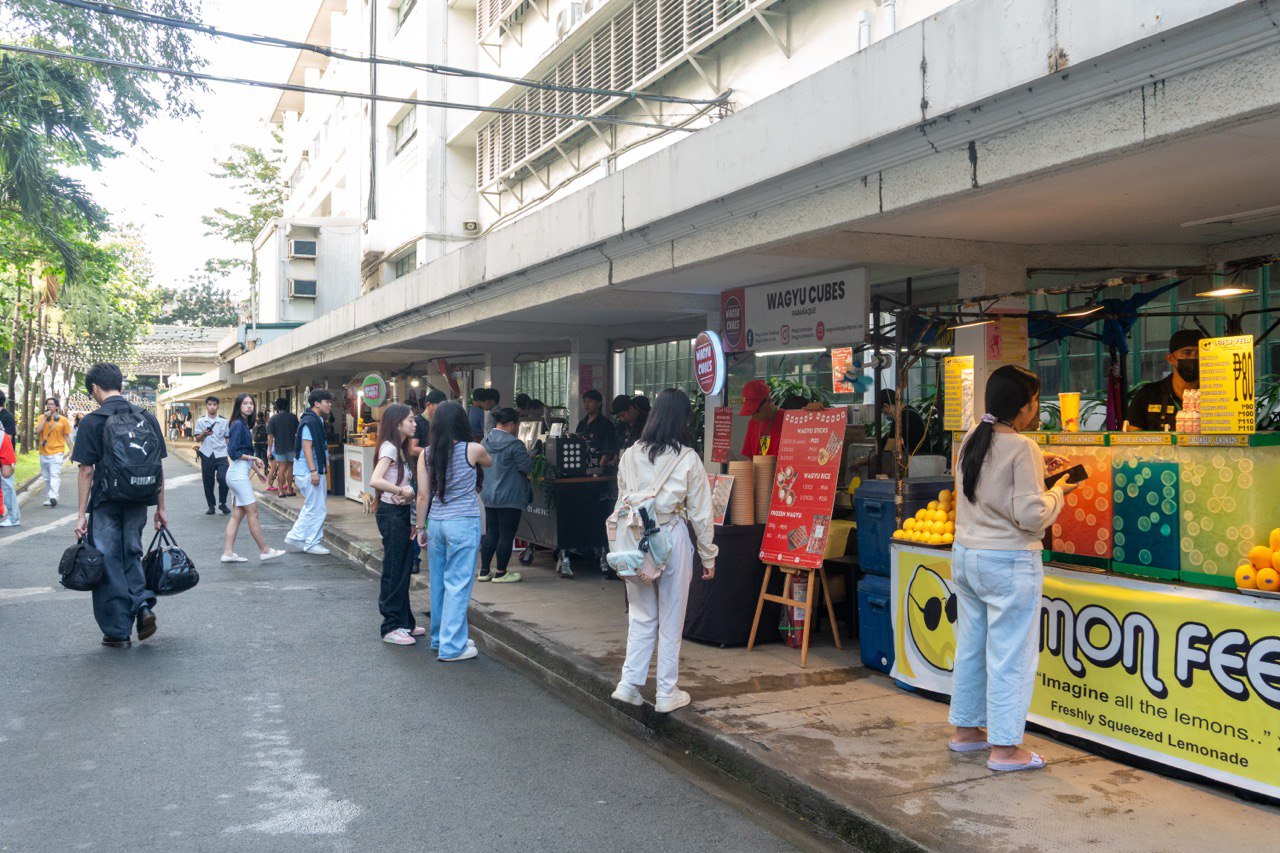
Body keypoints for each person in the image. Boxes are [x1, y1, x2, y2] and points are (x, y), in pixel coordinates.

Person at [948, 364, 1074, 772]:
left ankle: (966, 733)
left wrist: (1038, 472)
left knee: (972, 647)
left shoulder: (972, 437)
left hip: (967, 557)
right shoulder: (1023, 447)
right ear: (1022, 407)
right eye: (1035, 400)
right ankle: (1005, 749)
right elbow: (1031, 517)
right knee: (1010, 655)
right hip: (1008, 562)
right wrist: (1058, 492)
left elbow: (987, 487)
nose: (1036, 408)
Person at [610, 388, 718, 714]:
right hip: (670, 537)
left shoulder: (629, 455)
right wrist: (708, 555)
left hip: (633, 539)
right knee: (671, 617)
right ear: (683, 419)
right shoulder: (688, 458)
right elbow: (701, 513)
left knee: (642, 615)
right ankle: (666, 692)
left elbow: (622, 499)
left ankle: (629, 684)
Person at [72, 363, 169, 649]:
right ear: (121, 385)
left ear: (95, 389)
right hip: (139, 500)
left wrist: (81, 514)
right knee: (132, 552)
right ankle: (142, 605)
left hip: (106, 503)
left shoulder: (92, 421)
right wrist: (161, 508)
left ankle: (117, 631)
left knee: (109, 561)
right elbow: (158, 466)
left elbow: (86, 471)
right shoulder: (146, 418)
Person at [415, 401, 492, 662]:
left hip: (436, 522)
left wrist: (420, 527)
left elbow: (423, 496)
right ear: (462, 423)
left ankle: (439, 639)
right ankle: (452, 647)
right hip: (463, 523)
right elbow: (489, 462)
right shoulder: (474, 449)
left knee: (438, 583)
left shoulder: (426, 454)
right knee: (458, 584)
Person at [369, 403, 423, 645]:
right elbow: (375, 480)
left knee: (402, 568)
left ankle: (404, 622)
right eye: (410, 420)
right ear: (397, 422)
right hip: (391, 513)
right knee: (394, 568)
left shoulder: (399, 448)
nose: (415, 423)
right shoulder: (390, 448)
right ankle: (391, 626)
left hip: (399, 514)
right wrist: (402, 490)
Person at [221, 394, 286, 564]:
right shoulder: (238, 425)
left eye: (251, 403)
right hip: (237, 476)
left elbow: (244, 455)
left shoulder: (242, 424)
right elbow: (234, 453)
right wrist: (254, 459)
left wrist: (258, 471)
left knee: (237, 515)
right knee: (253, 513)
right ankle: (265, 550)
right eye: (245, 403)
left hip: (237, 475)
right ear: (238, 405)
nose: (249, 406)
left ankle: (228, 553)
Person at [479, 407, 532, 583]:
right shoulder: (515, 444)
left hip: (489, 496)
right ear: (510, 423)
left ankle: (484, 572)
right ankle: (501, 572)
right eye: (516, 424)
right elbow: (526, 467)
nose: (516, 428)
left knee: (492, 533)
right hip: (510, 497)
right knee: (506, 535)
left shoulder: (484, 441)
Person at [1125, 329, 1205, 431]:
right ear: (1170, 359)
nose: (1194, 357)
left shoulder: (1216, 395)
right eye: (1187, 353)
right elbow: (1132, 440)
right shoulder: (1147, 395)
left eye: (1199, 353)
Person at [286, 389, 334, 555]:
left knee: (313, 507)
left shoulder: (317, 420)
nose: (330, 405)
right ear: (317, 403)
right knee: (316, 509)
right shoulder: (310, 422)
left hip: (311, 470)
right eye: (327, 401)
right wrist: (314, 471)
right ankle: (311, 542)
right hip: (308, 471)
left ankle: (297, 536)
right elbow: (307, 448)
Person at [194, 396, 230, 515]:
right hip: (207, 453)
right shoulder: (201, 421)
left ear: (218, 406)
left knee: (223, 478)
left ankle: (223, 503)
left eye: (214, 404)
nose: (212, 407)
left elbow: (227, 437)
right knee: (208, 481)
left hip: (221, 453)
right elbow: (197, 439)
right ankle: (211, 505)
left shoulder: (223, 421)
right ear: (206, 406)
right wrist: (204, 434)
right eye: (210, 404)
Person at [34, 396, 72, 507]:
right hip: (44, 452)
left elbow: (66, 436)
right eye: (47, 404)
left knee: (54, 474)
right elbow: (37, 431)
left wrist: (71, 450)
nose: (49, 406)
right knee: (46, 477)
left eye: (51, 404)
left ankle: (54, 496)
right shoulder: (42, 417)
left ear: (56, 407)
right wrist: (45, 418)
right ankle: (48, 497)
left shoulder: (63, 420)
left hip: (57, 451)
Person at [737, 379, 784, 457]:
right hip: (758, 468)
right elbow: (749, 458)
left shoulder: (787, 420)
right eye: (750, 412)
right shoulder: (752, 423)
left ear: (769, 401)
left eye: (756, 410)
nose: (753, 415)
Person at [576, 389, 619, 468]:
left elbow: (608, 450)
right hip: (582, 465)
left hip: (600, 467)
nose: (586, 404)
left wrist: (599, 468)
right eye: (584, 401)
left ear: (599, 404)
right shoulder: (581, 424)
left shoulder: (606, 424)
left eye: (590, 401)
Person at [266, 398, 299, 497]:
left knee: (281, 467)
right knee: (290, 467)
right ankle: (289, 489)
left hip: (279, 447)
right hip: (291, 446)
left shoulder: (273, 419)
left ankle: (281, 491)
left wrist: (269, 450)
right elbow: (298, 432)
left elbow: (270, 436)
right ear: (287, 406)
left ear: (277, 407)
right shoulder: (293, 417)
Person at [409, 388, 446, 460]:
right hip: (420, 467)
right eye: (439, 406)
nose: (443, 409)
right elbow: (412, 449)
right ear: (428, 405)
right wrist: (436, 453)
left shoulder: (441, 421)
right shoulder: (416, 422)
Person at [0, 389, 19, 528]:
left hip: (5, 454)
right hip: (5, 451)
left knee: (7, 487)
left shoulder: (7, 416)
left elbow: (9, 437)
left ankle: (14, 517)